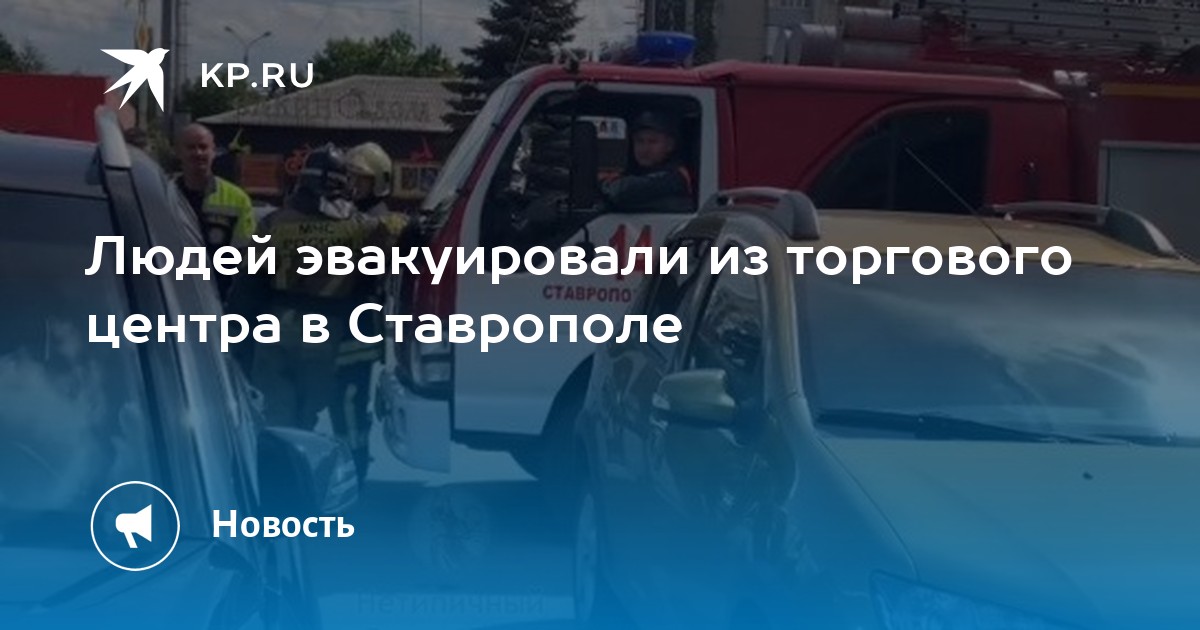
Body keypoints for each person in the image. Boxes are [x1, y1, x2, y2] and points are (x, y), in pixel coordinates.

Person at [230, 145, 395, 453]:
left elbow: (249, 282)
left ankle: (278, 472)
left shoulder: (274, 223)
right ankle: (324, 467)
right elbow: (388, 263)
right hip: (328, 335)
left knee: (277, 417)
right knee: (313, 415)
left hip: (275, 330)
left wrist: (237, 336)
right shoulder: (363, 227)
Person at [330, 141, 408, 481]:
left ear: (378, 182)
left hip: (359, 322)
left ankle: (355, 463)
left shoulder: (379, 222)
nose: (352, 185)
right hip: (347, 318)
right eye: (349, 177)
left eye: (360, 179)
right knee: (342, 397)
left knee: (348, 397)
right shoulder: (350, 216)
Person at [173, 123, 257, 252]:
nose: (198, 153)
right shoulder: (164, 195)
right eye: (191, 147)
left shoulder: (238, 199)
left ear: (213, 152)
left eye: (203, 147)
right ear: (178, 152)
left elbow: (245, 251)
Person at [599, 110, 695, 214]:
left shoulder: (674, 177)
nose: (645, 149)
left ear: (670, 145)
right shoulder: (637, 171)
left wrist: (604, 182)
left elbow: (620, 192)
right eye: (639, 141)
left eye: (652, 142)